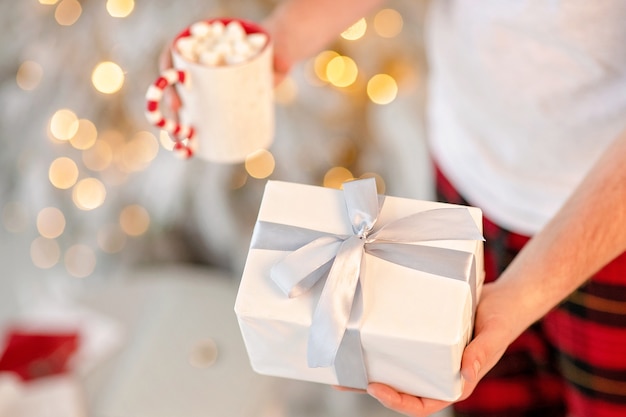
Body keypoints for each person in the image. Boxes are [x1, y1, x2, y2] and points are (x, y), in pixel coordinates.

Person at [262, 1, 626, 416]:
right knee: (488, 398)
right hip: (463, 177)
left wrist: (523, 294)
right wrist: (278, 40)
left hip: (607, 230)